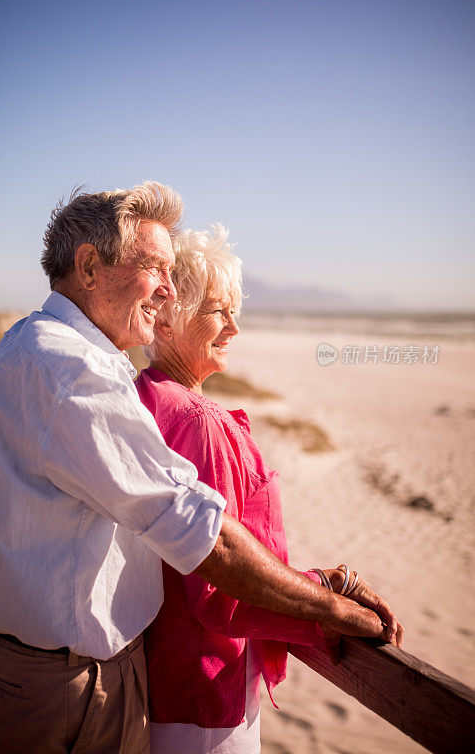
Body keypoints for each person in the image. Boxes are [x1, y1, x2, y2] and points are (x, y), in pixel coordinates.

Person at [0, 183, 401, 754]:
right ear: (89, 265)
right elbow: (204, 538)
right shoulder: (72, 372)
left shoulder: (34, 343)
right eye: (155, 269)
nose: (167, 293)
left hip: (30, 668)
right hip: (65, 688)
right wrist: (332, 604)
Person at [136, 224, 404, 754]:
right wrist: (328, 601)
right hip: (205, 690)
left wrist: (327, 583)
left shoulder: (145, 398)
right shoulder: (195, 420)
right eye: (218, 310)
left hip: (162, 677)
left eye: (235, 310)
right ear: (165, 318)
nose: (234, 327)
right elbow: (218, 583)